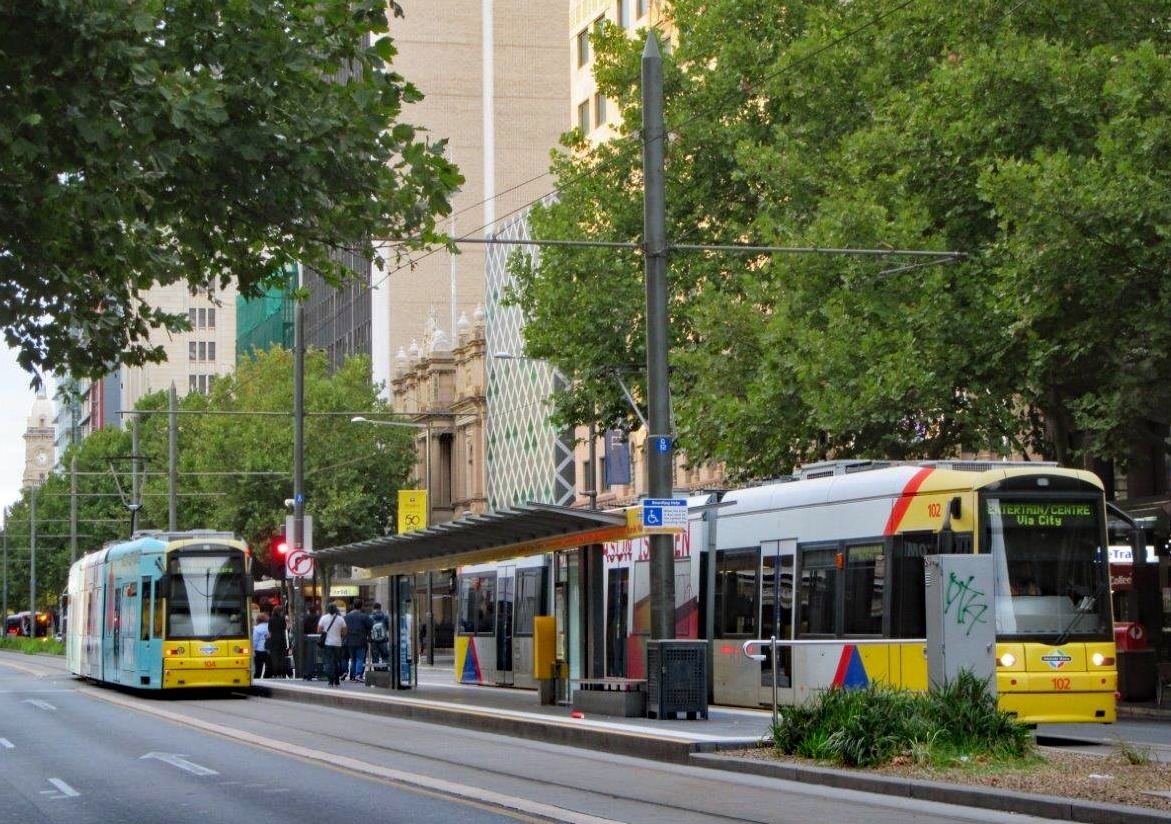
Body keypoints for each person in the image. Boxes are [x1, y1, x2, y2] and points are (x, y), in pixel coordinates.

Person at [316, 603, 347, 686]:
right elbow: (344, 632)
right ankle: (337, 680)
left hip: (327, 643)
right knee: (336, 662)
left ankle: (330, 681)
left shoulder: (324, 618)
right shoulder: (340, 619)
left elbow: (319, 630)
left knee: (329, 662)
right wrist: (337, 632)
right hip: (338, 644)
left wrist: (325, 631)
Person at [344, 599, 374, 682]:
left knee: (353, 659)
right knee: (360, 658)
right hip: (361, 640)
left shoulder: (347, 617)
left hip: (349, 640)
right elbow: (371, 625)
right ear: (361, 606)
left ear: (353, 605)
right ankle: (358, 674)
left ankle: (352, 675)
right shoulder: (364, 616)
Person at [266, 605, 289, 678]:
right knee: (282, 657)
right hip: (281, 639)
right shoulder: (282, 619)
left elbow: (270, 631)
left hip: (273, 640)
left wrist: (268, 640)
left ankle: (275, 673)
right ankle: (282, 673)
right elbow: (285, 628)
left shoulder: (271, 619)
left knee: (274, 657)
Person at [369, 602, 391, 668]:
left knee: (375, 657)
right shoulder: (385, 617)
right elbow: (388, 627)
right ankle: (385, 669)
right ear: (380, 608)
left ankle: (376, 670)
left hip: (374, 640)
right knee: (385, 656)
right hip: (383, 640)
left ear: (373, 608)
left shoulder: (370, 617)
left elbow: (368, 628)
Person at [252, 612, 270, 679]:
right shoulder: (270, 626)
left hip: (259, 650)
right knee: (268, 666)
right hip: (268, 650)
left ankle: (257, 678)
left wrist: (253, 649)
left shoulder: (256, 628)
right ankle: (267, 677)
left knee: (258, 667)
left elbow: (255, 640)